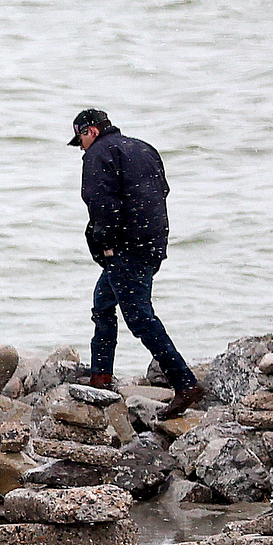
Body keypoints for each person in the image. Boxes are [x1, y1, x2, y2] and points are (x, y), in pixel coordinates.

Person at [69, 108, 204, 417]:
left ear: (89, 131)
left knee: (140, 318)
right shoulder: (144, 148)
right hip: (152, 244)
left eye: (80, 141)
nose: (81, 148)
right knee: (103, 302)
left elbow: (101, 204)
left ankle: (185, 383)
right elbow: (162, 192)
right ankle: (100, 377)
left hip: (125, 249)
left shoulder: (98, 154)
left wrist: (105, 245)